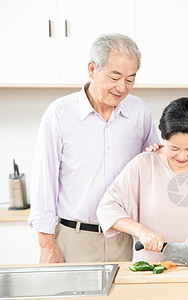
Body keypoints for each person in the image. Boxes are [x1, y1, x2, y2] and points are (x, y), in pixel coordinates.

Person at [28, 33, 159, 263]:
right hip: (74, 239)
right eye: (115, 76)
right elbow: (44, 184)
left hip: (126, 240)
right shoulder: (59, 114)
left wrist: (157, 156)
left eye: (130, 79)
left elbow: (153, 175)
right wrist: (46, 244)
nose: (122, 87)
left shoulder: (139, 112)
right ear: (92, 69)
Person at [97, 97, 188, 261]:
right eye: (174, 148)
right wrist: (140, 231)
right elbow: (107, 207)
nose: (182, 156)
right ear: (163, 138)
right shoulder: (143, 165)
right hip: (150, 271)